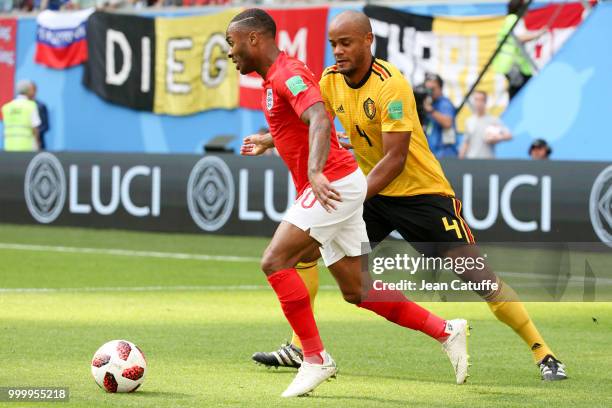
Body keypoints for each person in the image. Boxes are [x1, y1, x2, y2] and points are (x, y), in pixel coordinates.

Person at [249, 10, 567, 382]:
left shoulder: (391, 84)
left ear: (369, 41)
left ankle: (543, 353)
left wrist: (353, 197)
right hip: (374, 195)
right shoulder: (331, 80)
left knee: (479, 278)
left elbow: (395, 160)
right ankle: (300, 347)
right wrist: (271, 139)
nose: (338, 51)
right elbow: (312, 116)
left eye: (346, 43)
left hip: (422, 195)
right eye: (333, 44)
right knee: (302, 250)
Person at [228, 8, 469, 397]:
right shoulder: (275, 78)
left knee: (275, 261)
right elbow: (302, 120)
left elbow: (321, 119)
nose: (230, 51)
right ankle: (446, 330)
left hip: (334, 183)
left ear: (253, 39)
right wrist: (268, 140)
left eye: (232, 42)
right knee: (357, 290)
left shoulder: (287, 72)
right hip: (340, 183)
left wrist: (317, 172)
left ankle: (314, 357)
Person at [493, 0, 545, 100]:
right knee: (519, 93)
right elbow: (520, 37)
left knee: (518, 92)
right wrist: (538, 34)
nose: (528, 10)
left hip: (509, 63)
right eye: (526, 7)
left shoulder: (508, 19)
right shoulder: (514, 19)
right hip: (514, 64)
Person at [459, 90, 512, 159]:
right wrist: (460, 158)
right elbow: (466, 142)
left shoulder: (493, 120)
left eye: (481, 100)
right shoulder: (469, 121)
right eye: (476, 100)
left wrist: (497, 137)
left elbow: (509, 135)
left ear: (485, 102)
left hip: (488, 161)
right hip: (472, 160)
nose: (478, 103)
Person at [423, 73, 458, 158]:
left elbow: (448, 123)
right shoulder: (430, 104)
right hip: (433, 154)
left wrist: (430, 110)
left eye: (432, 89)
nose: (429, 92)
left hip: (445, 154)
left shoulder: (444, 103)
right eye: (427, 89)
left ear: (440, 88)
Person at [1, 80, 41, 152]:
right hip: (26, 146)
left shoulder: (6, 107)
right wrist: (37, 144)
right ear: (28, 91)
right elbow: (35, 128)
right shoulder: (31, 106)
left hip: (9, 146)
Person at [28, 82, 50, 150]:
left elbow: (45, 126)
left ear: (35, 90)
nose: (28, 92)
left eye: (30, 89)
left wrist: (35, 132)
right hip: (24, 143)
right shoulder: (21, 106)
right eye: (27, 90)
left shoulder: (41, 106)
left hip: (38, 143)